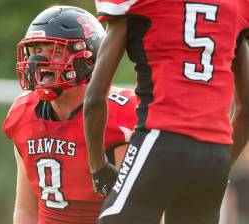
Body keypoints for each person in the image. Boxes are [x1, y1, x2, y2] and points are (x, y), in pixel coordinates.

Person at [83, 1, 249, 223]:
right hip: (216, 152)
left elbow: (94, 98)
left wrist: (98, 167)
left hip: (160, 139)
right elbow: (246, 107)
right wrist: (219, 165)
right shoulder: (236, 5)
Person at [2, 6, 138, 224]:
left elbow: (141, 212)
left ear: (88, 58)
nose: (40, 62)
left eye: (54, 51)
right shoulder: (23, 114)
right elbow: (26, 210)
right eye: (36, 51)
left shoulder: (120, 115)